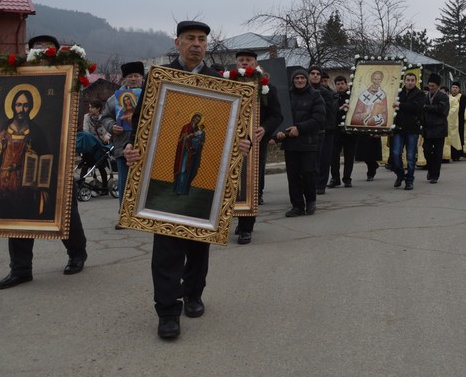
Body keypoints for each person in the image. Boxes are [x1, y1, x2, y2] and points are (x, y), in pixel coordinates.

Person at [121, 21, 251, 340]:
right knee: (165, 246)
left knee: (198, 245)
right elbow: (139, 126)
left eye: (202, 39)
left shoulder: (219, 83)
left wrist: (242, 143)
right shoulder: (159, 78)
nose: (196, 44)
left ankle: (193, 294)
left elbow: (230, 129)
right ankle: (167, 311)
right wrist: (129, 148)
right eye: (190, 38)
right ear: (177, 43)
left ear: (207, 45)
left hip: (205, 173)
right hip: (163, 169)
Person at [0, 34, 88, 290]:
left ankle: (77, 253)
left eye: (46, 50)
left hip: (53, 169)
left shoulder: (68, 82)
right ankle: (21, 269)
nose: (22, 109)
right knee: (18, 217)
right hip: (15, 179)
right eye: (36, 50)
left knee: (66, 212)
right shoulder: (7, 117)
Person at [232, 49, 283, 245]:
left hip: (255, 141)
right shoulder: (228, 82)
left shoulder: (266, 87)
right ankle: (236, 218)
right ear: (236, 63)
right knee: (231, 181)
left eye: (249, 60)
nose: (245, 63)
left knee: (249, 181)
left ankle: (246, 227)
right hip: (232, 141)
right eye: (241, 60)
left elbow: (277, 115)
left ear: (255, 62)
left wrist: (264, 129)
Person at [276, 68, 325, 217]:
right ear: (293, 80)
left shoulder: (316, 96)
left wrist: (300, 128)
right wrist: (278, 132)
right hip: (290, 144)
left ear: (306, 80)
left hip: (308, 142)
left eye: (302, 78)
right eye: (296, 78)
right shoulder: (286, 96)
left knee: (308, 173)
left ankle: (311, 200)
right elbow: (280, 115)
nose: (299, 80)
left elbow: (319, 119)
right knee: (293, 176)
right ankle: (297, 205)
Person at [102, 61, 144, 213]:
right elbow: (105, 117)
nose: (133, 79)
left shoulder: (152, 93)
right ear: (124, 79)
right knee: (125, 181)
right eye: (130, 76)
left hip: (146, 144)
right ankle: (125, 213)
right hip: (122, 144)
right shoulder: (114, 99)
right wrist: (112, 127)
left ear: (142, 77)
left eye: (136, 76)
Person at [391, 73, 424, 190]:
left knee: (410, 156)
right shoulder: (398, 93)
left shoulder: (420, 94)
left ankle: (409, 180)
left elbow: (417, 107)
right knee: (395, 154)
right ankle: (400, 175)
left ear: (416, 81)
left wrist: (401, 105)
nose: (410, 82)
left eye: (412, 80)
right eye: (408, 80)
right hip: (399, 129)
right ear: (404, 81)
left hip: (412, 129)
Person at [309, 66, 338, 194]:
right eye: (312, 73)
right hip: (309, 130)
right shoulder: (304, 91)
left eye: (317, 74)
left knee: (324, 158)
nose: (315, 76)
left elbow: (328, 112)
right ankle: (311, 184)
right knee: (312, 159)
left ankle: (321, 185)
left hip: (326, 129)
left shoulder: (325, 92)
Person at [420, 73, 450, 184]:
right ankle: (430, 168)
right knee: (426, 150)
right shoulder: (425, 96)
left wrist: (427, 107)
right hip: (427, 128)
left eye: (433, 86)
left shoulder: (443, 97)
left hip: (439, 128)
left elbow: (442, 110)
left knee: (438, 153)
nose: (431, 88)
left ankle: (435, 175)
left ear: (437, 86)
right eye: (429, 85)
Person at [330, 75, 356, 187]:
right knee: (333, 156)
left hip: (350, 132)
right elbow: (329, 111)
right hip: (335, 131)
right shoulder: (332, 96)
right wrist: (339, 108)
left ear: (346, 84)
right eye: (338, 84)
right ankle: (335, 178)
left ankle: (347, 178)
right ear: (335, 85)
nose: (340, 86)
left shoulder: (353, 96)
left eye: (342, 83)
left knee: (349, 156)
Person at [173, 113, 206, 195]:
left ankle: (184, 189)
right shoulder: (186, 127)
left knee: (189, 171)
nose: (196, 120)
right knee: (183, 170)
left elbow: (200, 140)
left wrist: (198, 139)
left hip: (192, 154)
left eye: (198, 119)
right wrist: (187, 137)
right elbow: (182, 139)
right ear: (193, 118)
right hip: (185, 151)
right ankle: (179, 190)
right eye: (196, 118)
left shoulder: (197, 129)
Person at [82, 99, 110, 192]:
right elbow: (85, 130)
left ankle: (105, 187)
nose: (90, 109)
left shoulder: (104, 117)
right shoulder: (87, 117)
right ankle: (81, 184)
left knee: (100, 164)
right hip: (91, 143)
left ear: (98, 108)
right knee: (85, 163)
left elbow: (108, 129)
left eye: (92, 107)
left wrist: (107, 136)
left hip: (102, 143)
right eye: (89, 107)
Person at [448, 82, 466, 161]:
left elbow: (462, 109)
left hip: (459, 119)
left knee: (459, 136)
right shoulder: (448, 97)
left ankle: (458, 154)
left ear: (459, 89)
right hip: (449, 119)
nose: (454, 89)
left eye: (456, 87)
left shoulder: (462, 97)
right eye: (453, 87)